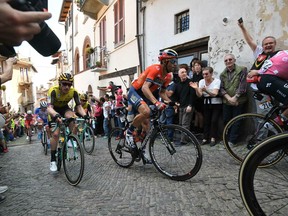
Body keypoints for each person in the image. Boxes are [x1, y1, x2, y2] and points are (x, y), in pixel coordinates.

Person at [126, 49, 177, 158]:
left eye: (175, 62)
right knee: (147, 111)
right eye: (172, 62)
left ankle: (142, 151)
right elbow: (144, 88)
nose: (175, 65)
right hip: (135, 91)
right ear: (164, 62)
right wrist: (156, 102)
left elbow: (162, 93)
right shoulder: (155, 69)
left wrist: (171, 102)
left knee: (147, 126)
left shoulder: (168, 76)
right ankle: (129, 133)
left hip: (146, 95)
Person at [47, 73, 87, 172]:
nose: (67, 87)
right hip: (54, 110)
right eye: (64, 84)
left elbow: (78, 106)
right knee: (55, 135)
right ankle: (52, 160)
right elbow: (49, 107)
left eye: (69, 84)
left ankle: (71, 138)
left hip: (64, 108)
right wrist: (55, 115)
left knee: (73, 117)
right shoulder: (53, 91)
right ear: (60, 84)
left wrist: (85, 115)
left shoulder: (73, 92)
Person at [238, 18, 279, 115]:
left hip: (274, 89)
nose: (268, 45)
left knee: (275, 114)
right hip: (259, 90)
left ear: (275, 44)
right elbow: (250, 41)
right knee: (262, 115)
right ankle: (263, 130)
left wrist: (257, 72)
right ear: (263, 46)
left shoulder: (279, 55)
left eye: (270, 43)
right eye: (266, 44)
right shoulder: (260, 52)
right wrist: (242, 27)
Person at [220, 54, 248, 146]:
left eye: (230, 59)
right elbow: (222, 88)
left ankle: (233, 141)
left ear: (234, 60)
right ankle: (226, 139)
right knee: (226, 120)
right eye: (226, 60)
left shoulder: (242, 70)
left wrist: (235, 97)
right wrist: (229, 98)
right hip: (227, 101)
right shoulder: (222, 74)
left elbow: (243, 85)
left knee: (237, 121)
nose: (228, 61)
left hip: (239, 101)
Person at [190, 67, 222, 146]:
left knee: (214, 121)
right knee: (206, 120)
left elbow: (215, 94)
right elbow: (200, 95)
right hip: (206, 103)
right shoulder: (201, 81)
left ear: (211, 74)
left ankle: (213, 138)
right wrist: (197, 88)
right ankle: (205, 138)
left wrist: (206, 90)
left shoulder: (217, 81)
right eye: (203, 74)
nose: (204, 76)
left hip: (216, 103)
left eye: (206, 74)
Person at [170, 64, 194, 145]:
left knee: (185, 124)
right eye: (182, 72)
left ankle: (184, 141)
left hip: (188, 107)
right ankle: (182, 139)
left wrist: (190, 105)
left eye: (185, 72)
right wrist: (176, 104)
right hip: (181, 107)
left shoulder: (190, 83)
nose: (184, 73)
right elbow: (174, 96)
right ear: (179, 74)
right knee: (180, 124)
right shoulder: (177, 84)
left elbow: (192, 95)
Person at [190, 60, 204, 134]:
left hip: (201, 97)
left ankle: (201, 129)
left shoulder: (202, 76)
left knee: (200, 113)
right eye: (195, 65)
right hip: (194, 97)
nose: (197, 67)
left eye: (199, 65)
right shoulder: (194, 76)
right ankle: (196, 128)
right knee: (196, 113)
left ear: (201, 67)